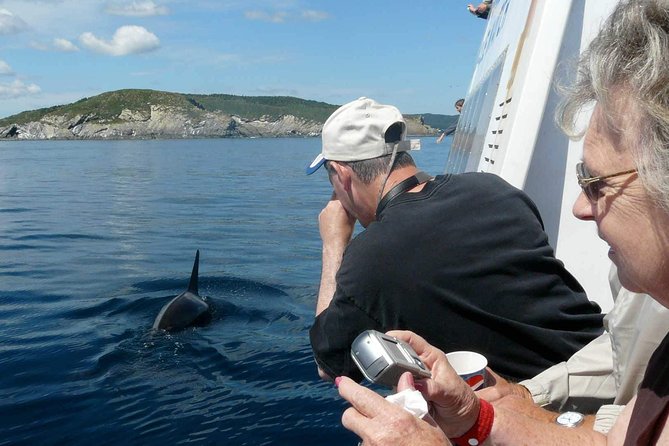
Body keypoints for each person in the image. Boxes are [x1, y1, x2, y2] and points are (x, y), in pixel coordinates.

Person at [337, 1, 669, 444]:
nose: (578, 209)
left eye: (596, 183)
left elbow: (328, 358)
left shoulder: (365, 255)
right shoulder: (492, 188)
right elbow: (613, 436)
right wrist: (482, 418)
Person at [306, 96, 603, 384]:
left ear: (342, 176)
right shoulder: (496, 189)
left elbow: (330, 364)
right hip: (605, 360)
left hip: (545, 404)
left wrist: (334, 243)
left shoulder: (371, 257)